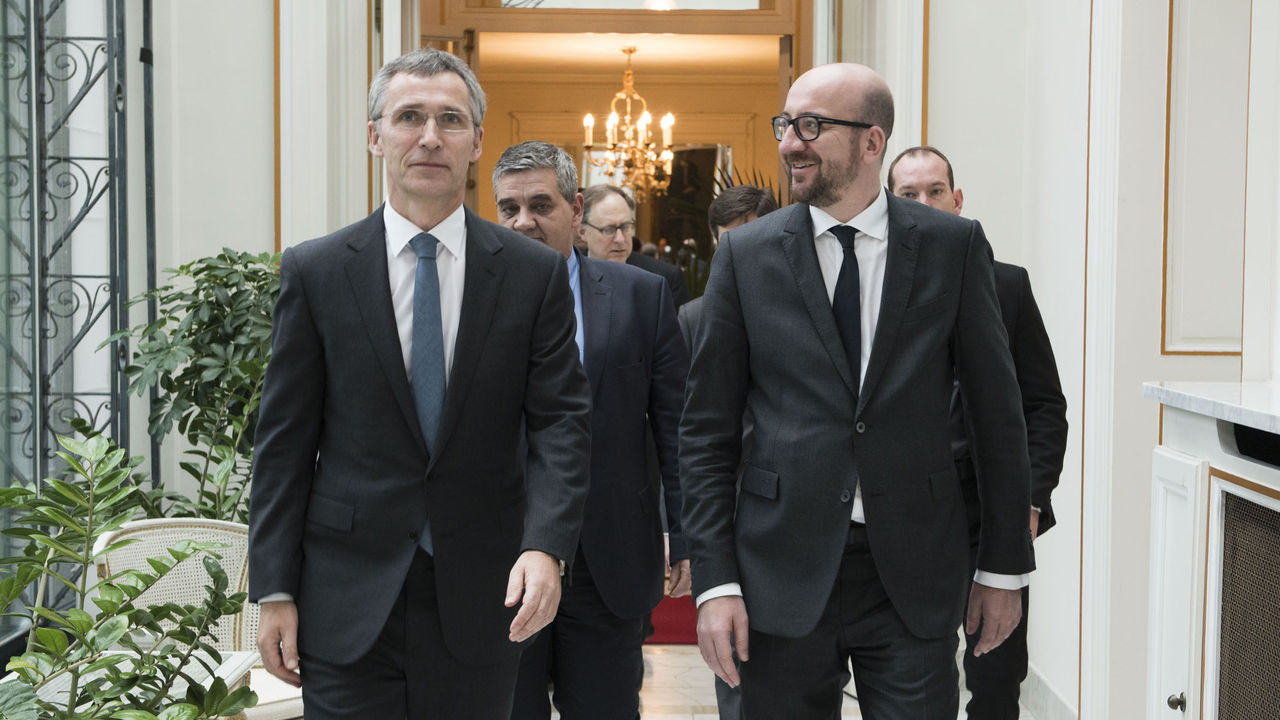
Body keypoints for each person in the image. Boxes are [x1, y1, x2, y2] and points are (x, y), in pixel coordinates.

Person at [679, 62, 1034, 719]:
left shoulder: (952, 247)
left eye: (811, 126)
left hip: (915, 571)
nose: (789, 142)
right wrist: (714, 580)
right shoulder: (746, 256)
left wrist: (1002, 569)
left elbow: (998, 417)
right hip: (775, 572)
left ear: (872, 142)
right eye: (786, 124)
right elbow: (705, 433)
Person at [248, 49, 592, 719]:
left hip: (483, 592)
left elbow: (561, 425)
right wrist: (275, 589)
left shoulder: (532, 276)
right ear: (376, 135)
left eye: (450, 120)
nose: (429, 137)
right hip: (346, 597)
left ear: (477, 142)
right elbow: (284, 443)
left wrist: (546, 546)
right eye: (409, 117)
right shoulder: (317, 272)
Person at [491, 140, 691, 720]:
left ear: (576, 210)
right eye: (509, 209)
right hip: (507, 564)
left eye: (540, 205)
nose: (523, 222)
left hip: (611, 561)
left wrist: (684, 531)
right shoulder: (475, 298)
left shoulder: (640, 296)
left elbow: (677, 426)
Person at [888, 145, 1068, 720]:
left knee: (995, 677)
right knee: (913, 674)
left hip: (990, 514)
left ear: (957, 200)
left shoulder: (1007, 286)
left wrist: (1032, 499)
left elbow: (1042, 404)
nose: (924, 204)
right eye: (908, 194)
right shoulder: (874, 290)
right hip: (906, 517)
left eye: (935, 191)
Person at [676, 184, 777, 720]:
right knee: (743, 681)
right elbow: (689, 429)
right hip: (731, 513)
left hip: (795, 510)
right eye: (726, 248)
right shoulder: (692, 320)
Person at [579, 184, 691, 308]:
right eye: (609, 229)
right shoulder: (568, 275)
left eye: (626, 227)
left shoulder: (665, 278)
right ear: (583, 232)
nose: (620, 239)